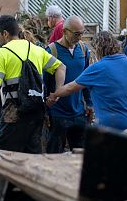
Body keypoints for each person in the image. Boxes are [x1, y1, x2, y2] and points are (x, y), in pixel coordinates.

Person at [0, 15, 66, 154]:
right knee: (31, 157)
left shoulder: (2, 53)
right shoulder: (36, 49)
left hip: (14, 114)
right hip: (37, 112)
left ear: (5, 34)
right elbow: (61, 67)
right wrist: (57, 93)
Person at [48, 31, 127, 131]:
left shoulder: (97, 68)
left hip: (109, 127)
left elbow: (70, 88)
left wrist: (54, 94)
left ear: (97, 49)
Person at [45, 15, 93, 153]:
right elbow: (45, 83)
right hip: (57, 113)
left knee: (80, 156)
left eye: (82, 33)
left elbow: (85, 79)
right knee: (54, 155)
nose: (79, 37)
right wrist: (47, 111)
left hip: (78, 112)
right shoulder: (51, 51)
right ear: (65, 31)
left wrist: (89, 103)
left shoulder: (83, 49)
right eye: (76, 34)